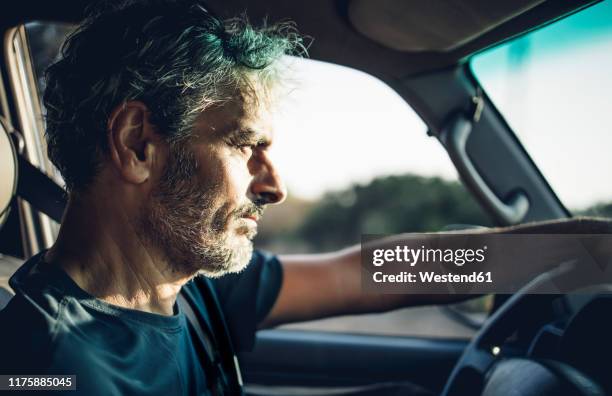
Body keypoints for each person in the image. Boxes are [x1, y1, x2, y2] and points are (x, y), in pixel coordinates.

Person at [0, 1, 610, 395]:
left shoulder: (189, 284)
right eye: (246, 147)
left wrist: (580, 251)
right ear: (138, 144)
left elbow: (373, 275)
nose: (275, 186)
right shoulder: (46, 365)